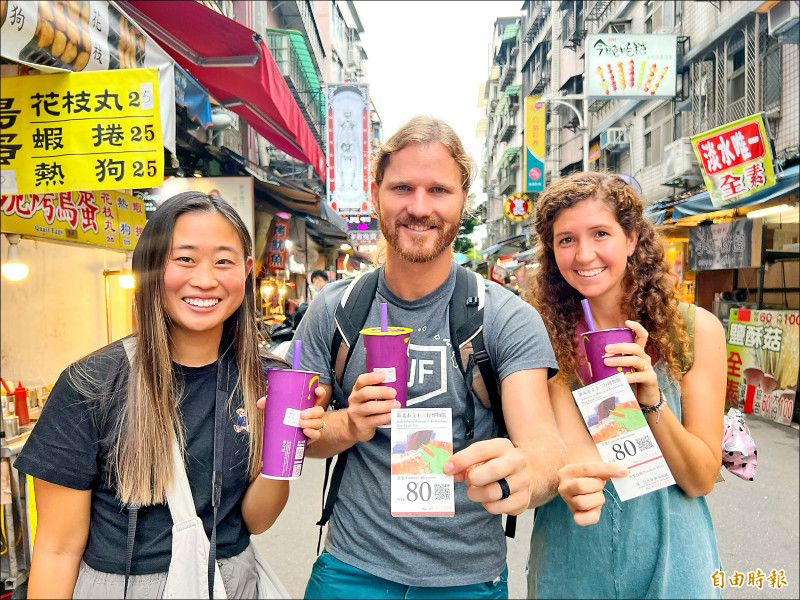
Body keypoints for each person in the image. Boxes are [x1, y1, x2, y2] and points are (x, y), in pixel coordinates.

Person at [291, 116, 566, 599]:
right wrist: (351, 424)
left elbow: (541, 442)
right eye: (402, 188)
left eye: (439, 190)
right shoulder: (334, 310)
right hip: (352, 570)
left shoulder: (506, 317)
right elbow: (301, 437)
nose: (419, 208)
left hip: (468, 579)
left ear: (464, 200)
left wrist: (528, 473)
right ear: (377, 194)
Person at [14, 192, 324, 598]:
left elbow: (255, 521)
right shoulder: (90, 384)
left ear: (247, 271)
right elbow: (56, 550)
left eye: (224, 261)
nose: (206, 279)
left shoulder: (268, 380)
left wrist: (279, 453)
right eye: (185, 259)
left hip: (231, 584)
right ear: (152, 266)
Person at [524, 171, 726, 599]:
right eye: (566, 240)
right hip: (572, 557)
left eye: (601, 233)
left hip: (673, 556)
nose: (584, 254)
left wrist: (652, 400)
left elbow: (700, 479)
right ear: (551, 251)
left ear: (632, 239)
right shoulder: (538, 337)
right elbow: (559, 456)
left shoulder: (695, 331)